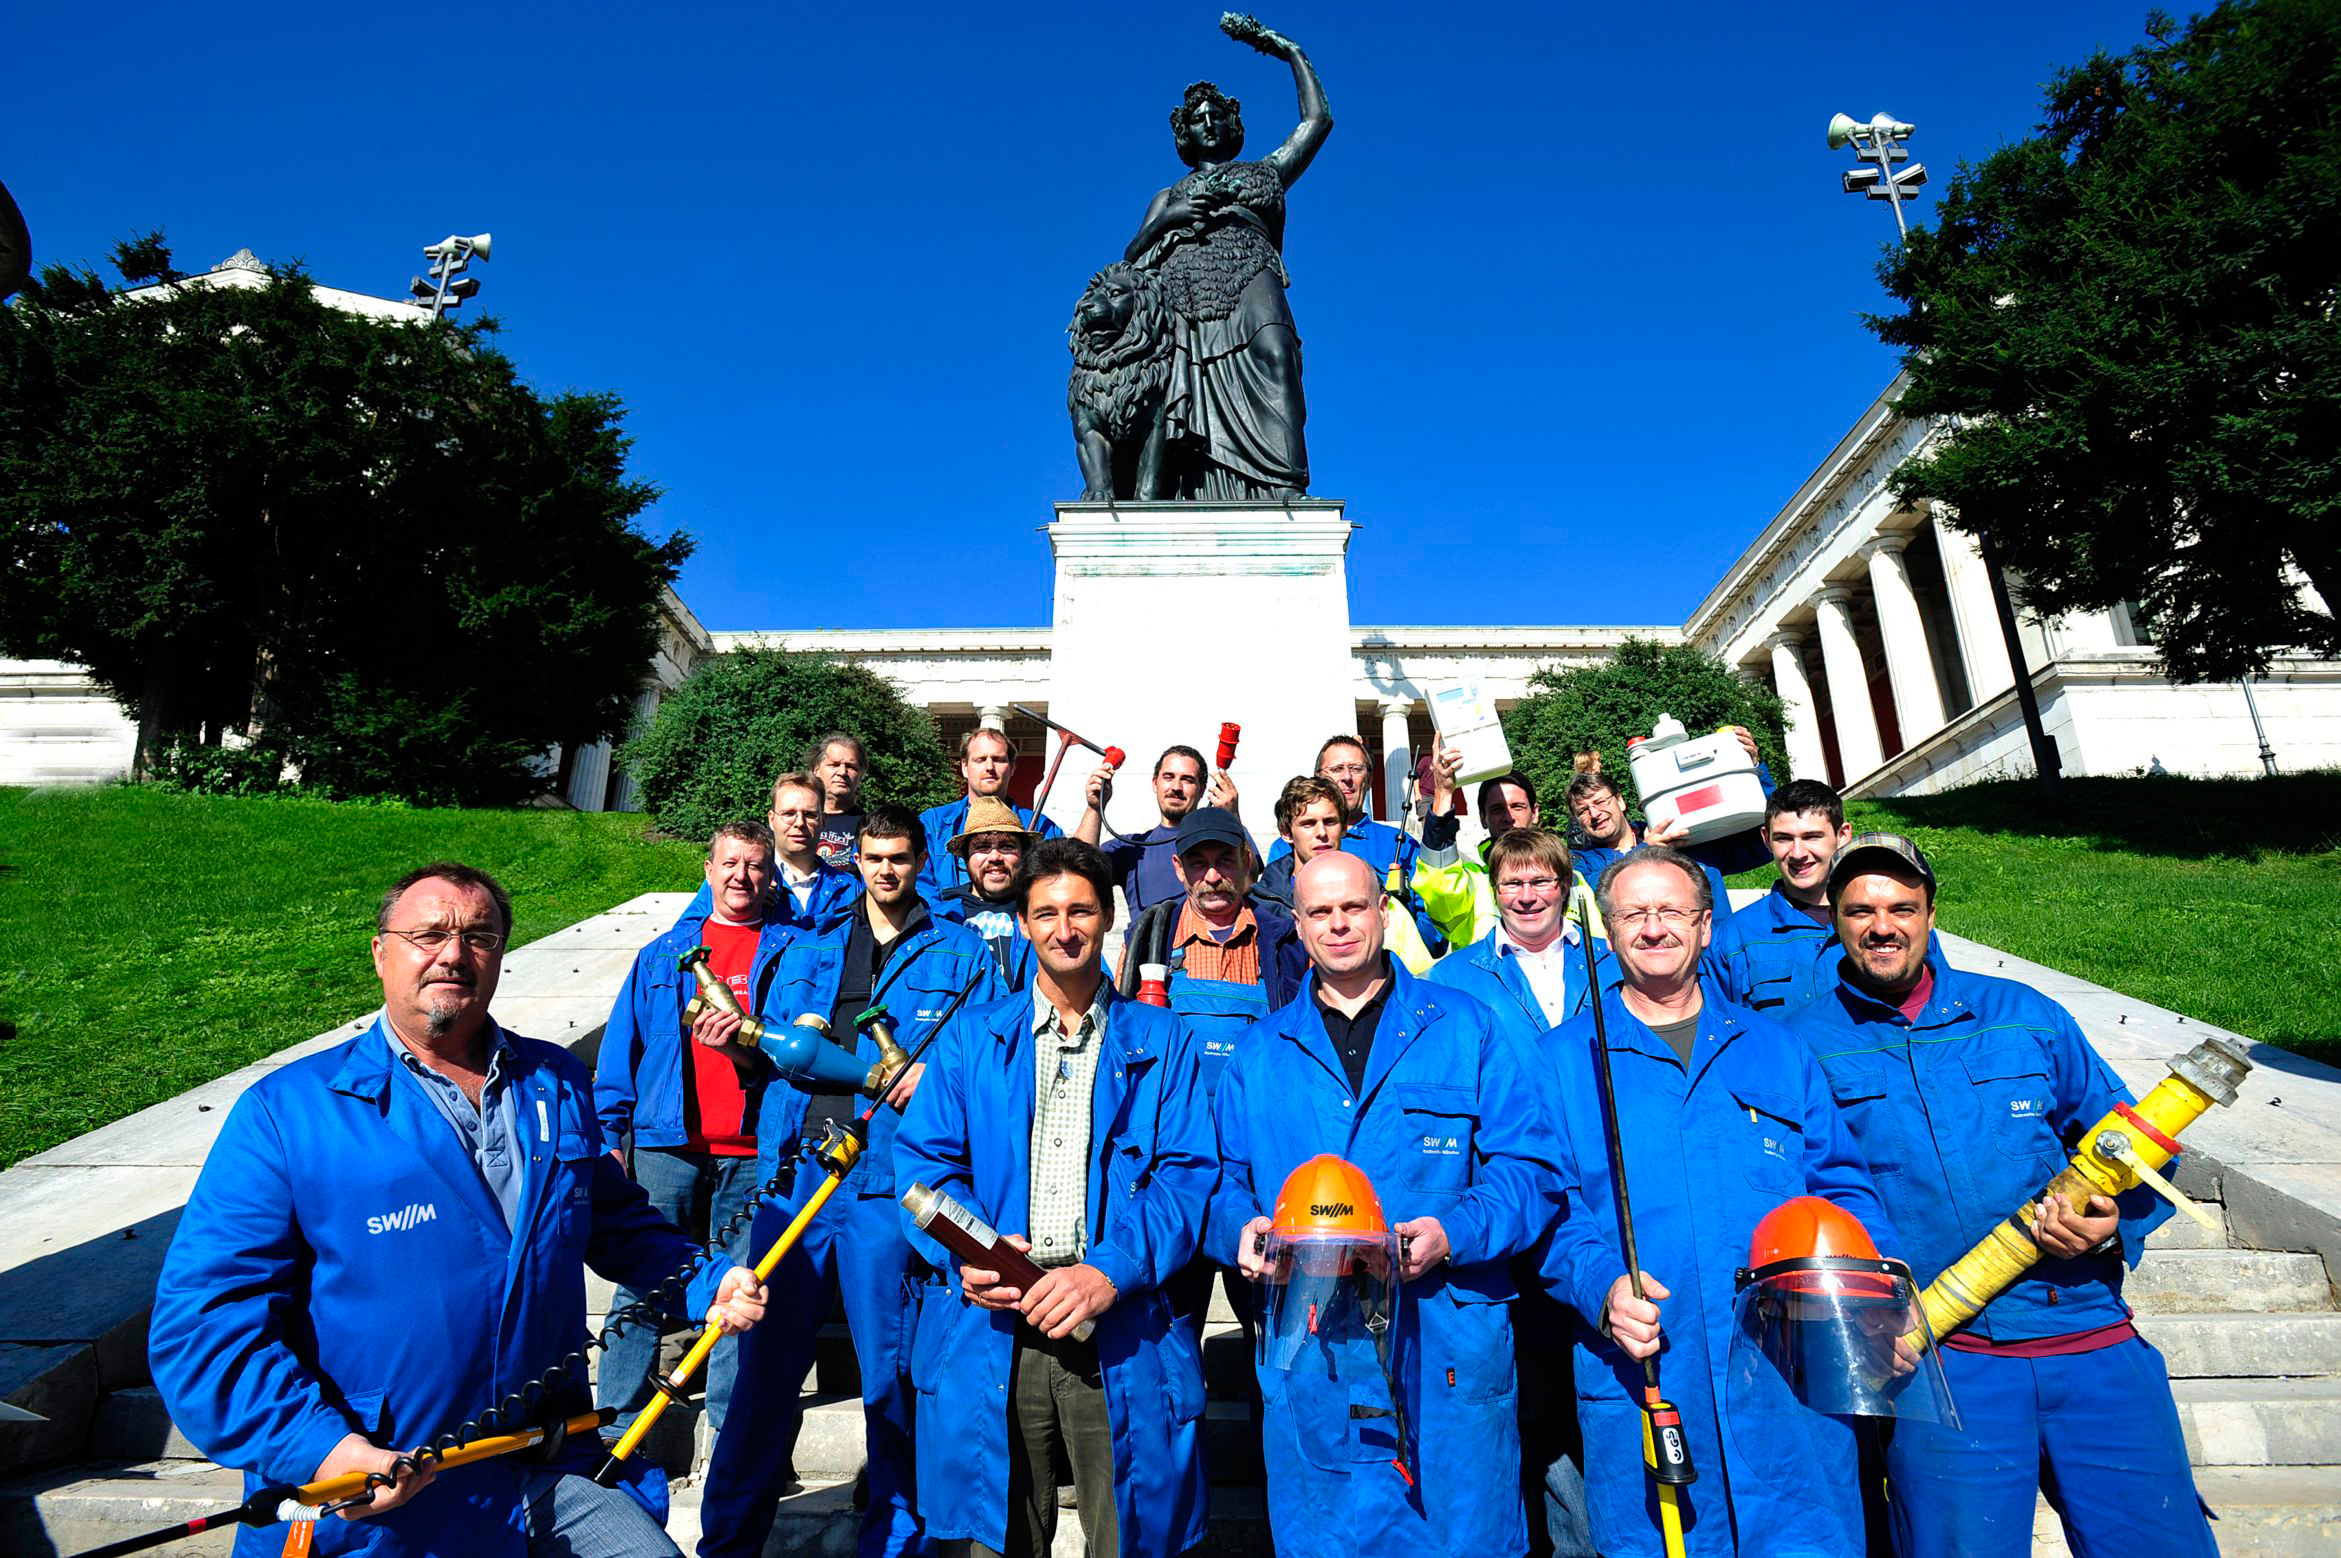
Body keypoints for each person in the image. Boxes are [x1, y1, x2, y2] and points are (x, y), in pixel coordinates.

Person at [149, 863, 768, 1558]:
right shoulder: (289, 1111)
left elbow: (612, 1217)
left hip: (539, 1462)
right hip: (378, 1490)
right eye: (429, 933)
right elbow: (203, 1325)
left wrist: (702, 1277)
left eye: (478, 936)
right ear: (381, 952)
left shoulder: (555, 1080)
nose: (453, 953)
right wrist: (320, 1448)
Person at [1786, 834, 2216, 1557]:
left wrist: (2112, 1226)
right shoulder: (1799, 1046)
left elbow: (2131, 1147)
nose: (1881, 925)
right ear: (1832, 918)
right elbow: (1797, 1209)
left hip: (2091, 1340)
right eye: (1859, 910)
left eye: (1901, 907)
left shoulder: (2024, 1015)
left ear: (1929, 913)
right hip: (1941, 1358)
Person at [1537, 848, 1909, 1558]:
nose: (1653, 929)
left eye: (1671, 911)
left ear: (1706, 927)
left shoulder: (1775, 1050)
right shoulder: (1558, 1061)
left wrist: (1871, 1295)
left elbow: (1841, 1185)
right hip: (1646, 1368)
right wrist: (1600, 1286)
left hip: (1789, 1370)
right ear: (1607, 934)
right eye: (1633, 914)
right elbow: (1548, 1208)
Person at [1208, 850, 1566, 1558]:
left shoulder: (1468, 1028)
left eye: (1352, 907)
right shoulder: (1258, 1053)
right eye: (1320, 912)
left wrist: (1454, 1232)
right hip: (1315, 1345)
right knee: (1328, 1535)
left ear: (1381, 913)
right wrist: (1237, 1232)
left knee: (1461, 1535)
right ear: (1298, 928)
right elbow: (1222, 1180)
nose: (1338, 925)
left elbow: (1530, 1168)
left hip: (1444, 1340)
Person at [896, 838, 1214, 1558]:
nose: (1063, 929)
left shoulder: (1165, 1042)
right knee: (995, 1538)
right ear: (1024, 923)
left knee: (1132, 1536)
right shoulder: (971, 1041)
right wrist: (967, 1250)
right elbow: (924, 1162)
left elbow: (1187, 1176)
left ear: (1106, 918)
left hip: (1117, 1321)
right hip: (997, 1326)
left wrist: (1107, 1272)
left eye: (1079, 910)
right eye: (1045, 914)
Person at [699, 806, 1004, 1558]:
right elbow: (763, 1057)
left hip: (883, 1185)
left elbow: (988, 1068)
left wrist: (937, 1082)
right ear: (856, 861)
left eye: (899, 858)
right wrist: (730, 1041)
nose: (885, 871)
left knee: (887, 1383)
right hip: (792, 1177)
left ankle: (891, 1543)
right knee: (759, 1384)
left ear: (922, 859)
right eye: (872, 858)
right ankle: (728, 1543)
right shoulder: (809, 946)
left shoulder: (961, 955)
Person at [592, 822, 789, 1444]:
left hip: (753, 1151)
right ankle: (615, 1424)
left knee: (737, 1298)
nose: (742, 876)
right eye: (730, 863)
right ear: (707, 871)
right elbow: (620, 1055)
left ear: (771, 876)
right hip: (665, 1147)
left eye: (756, 866)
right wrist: (611, 1141)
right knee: (640, 1288)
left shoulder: (793, 954)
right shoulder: (661, 954)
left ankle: (725, 1435)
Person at [1122, 20, 1331, 499]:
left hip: (1250, 270)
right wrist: (1168, 218)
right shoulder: (1167, 194)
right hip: (1184, 293)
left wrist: (1289, 51)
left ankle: (1286, 486)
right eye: (1198, 118)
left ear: (1232, 124)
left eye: (1217, 114)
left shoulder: (1267, 171)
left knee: (1276, 353)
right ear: (1186, 133)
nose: (1209, 123)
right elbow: (1131, 263)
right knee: (1183, 393)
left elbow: (1317, 122)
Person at [1426, 827, 1616, 1047]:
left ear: (1564, 887)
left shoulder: (1614, 962)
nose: (1527, 897)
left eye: (1540, 882)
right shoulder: (1451, 978)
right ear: (1494, 890)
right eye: (1512, 884)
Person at [1262, 734, 1449, 957]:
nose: (1346, 778)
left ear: (1369, 779)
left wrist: (1400, 937)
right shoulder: (1284, 848)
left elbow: (1432, 926)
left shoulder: (1400, 843)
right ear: (1318, 777)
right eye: (1336, 769)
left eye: (1356, 769)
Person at [1564, 768, 1746, 962]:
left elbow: (1761, 846)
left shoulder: (1682, 838)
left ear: (1620, 801)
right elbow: (1598, 888)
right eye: (1583, 810)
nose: (1594, 813)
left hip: (1716, 965)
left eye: (1600, 802)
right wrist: (1645, 851)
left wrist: (1751, 768)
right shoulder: (1579, 865)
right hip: (1643, 971)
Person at [1718, 779, 1852, 1015]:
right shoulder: (1735, 935)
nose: (1798, 853)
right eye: (1783, 838)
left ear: (1842, 835)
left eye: (1812, 836)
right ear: (1766, 840)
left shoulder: (1886, 920)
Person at [1073, 742, 1243, 920]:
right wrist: (1094, 808)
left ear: (1202, 790)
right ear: (1155, 783)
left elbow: (1247, 881)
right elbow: (1075, 874)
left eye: (1187, 779)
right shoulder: (1132, 848)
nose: (1176, 787)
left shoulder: (1221, 841)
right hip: (1148, 946)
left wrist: (1232, 816)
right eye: (1168, 777)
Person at [917, 728, 1063, 905]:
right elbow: (920, 885)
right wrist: (954, 924)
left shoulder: (1042, 827)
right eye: (980, 759)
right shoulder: (932, 823)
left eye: (998, 759)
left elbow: (1064, 880)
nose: (989, 767)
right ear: (964, 766)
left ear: (1012, 767)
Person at [933, 796, 1039, 992]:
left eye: (1007, 846)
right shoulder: (938, 922)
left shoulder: (1046, 915)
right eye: (982, 847)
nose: (995, 857)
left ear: (1023, 855)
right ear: (965, 858)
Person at [1250, 773, 1346, 913]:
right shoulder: (1261, 905)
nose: (1322, 832)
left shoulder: (1369, 887)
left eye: (1330, 822)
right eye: (1308, 824)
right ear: (1286, 833)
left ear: (1343, 828)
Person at [808, 732, 868, 867]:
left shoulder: (869, 827)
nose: (842, 772)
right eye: (834, 765)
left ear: (860, 774)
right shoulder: (794, 821)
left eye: (850, 766)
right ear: (816, 770)